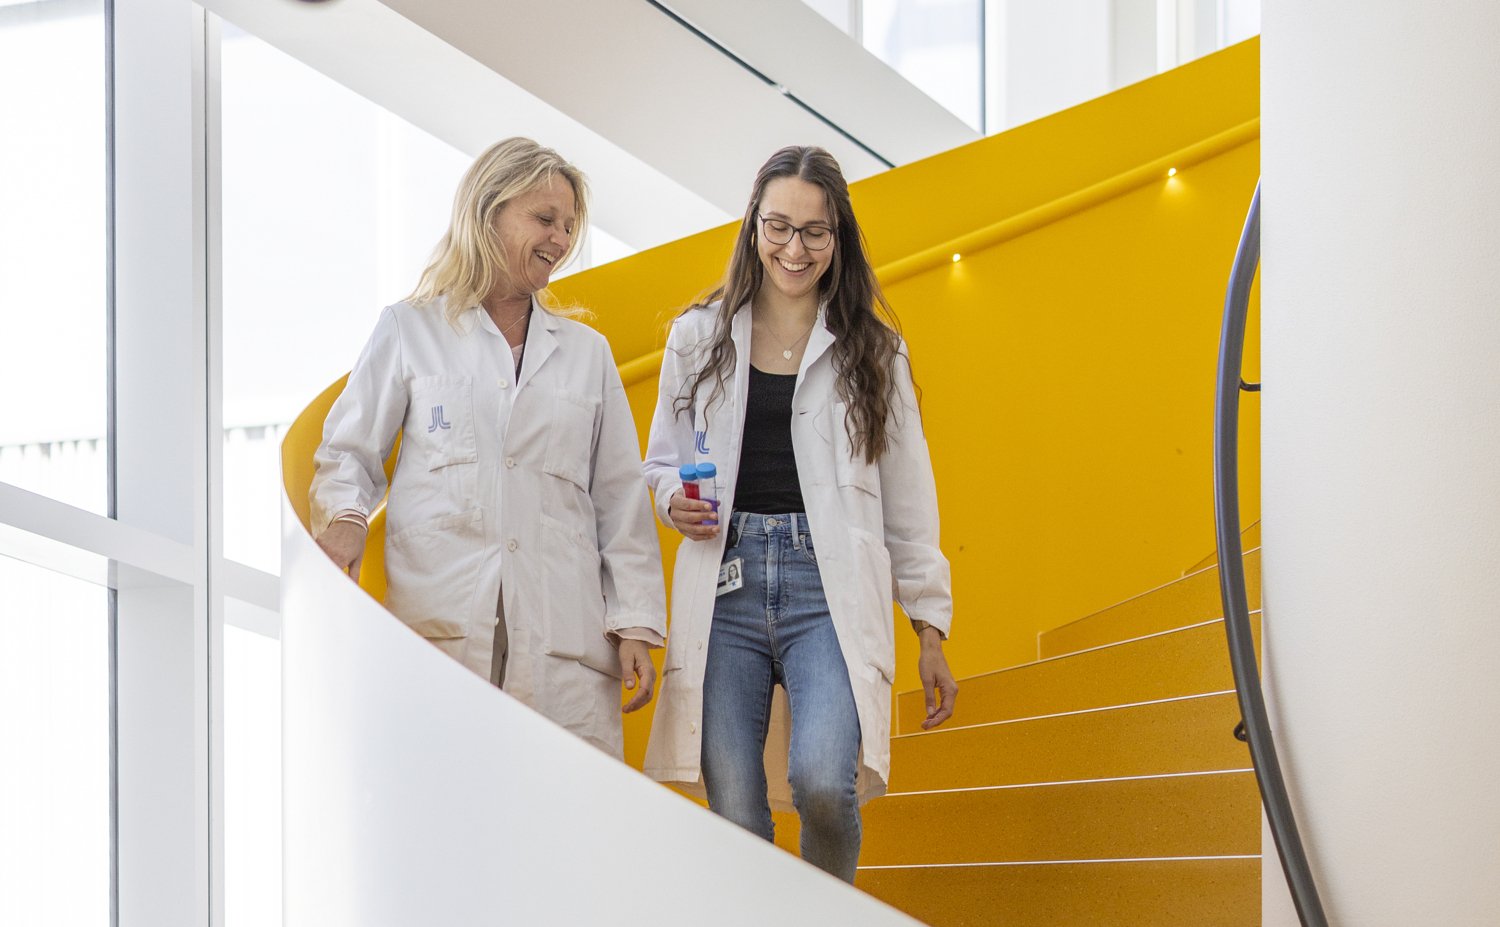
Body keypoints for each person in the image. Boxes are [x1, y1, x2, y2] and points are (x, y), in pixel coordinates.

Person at [641, 145, 958, 881]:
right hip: (727, 583)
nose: (794, 248)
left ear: (837, 238)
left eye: (814, 231)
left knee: (822, 780)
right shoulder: (699, 336)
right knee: (737, 808)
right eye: (779, 226)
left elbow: (910, 501)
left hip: (829, 584)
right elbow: (661, 461)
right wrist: (672, 499)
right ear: (753, 226)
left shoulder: (875, 351)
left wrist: (931, 627)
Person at [309, 137, 666, 758]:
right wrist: (344, 518)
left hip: (563, 638)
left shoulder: (587, 355)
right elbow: (349, 451)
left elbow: (619, 501)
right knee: (448, 814)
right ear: (488, 212)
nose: (560, 239)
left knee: (559, 820)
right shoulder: (410, 330)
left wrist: (634, 619)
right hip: (442, 624)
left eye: (569, 225)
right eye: (544, 219)